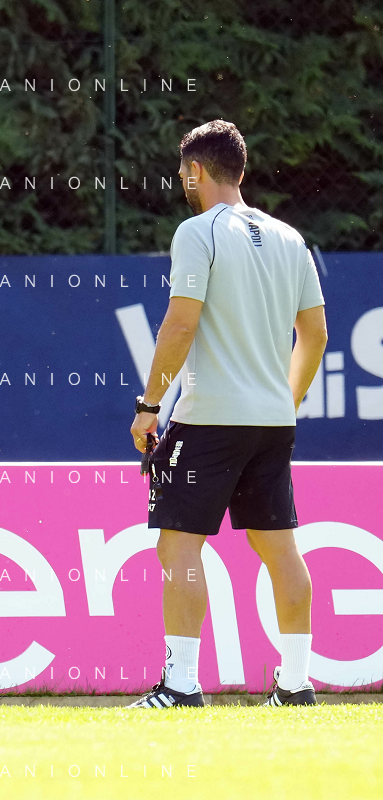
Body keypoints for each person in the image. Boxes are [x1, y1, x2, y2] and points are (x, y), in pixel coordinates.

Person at [128, 120, 327, 709]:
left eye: (182, 172)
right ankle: (295, 686)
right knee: (280, 550)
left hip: (210, 419)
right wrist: (286, 400)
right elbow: (315, 334)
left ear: (196, 171)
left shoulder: (198, 231)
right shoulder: (290, 237)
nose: (180, 182)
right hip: (273, 420)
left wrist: (149, 406)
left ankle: (181, 686)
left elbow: (181, 324)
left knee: (178, 547)